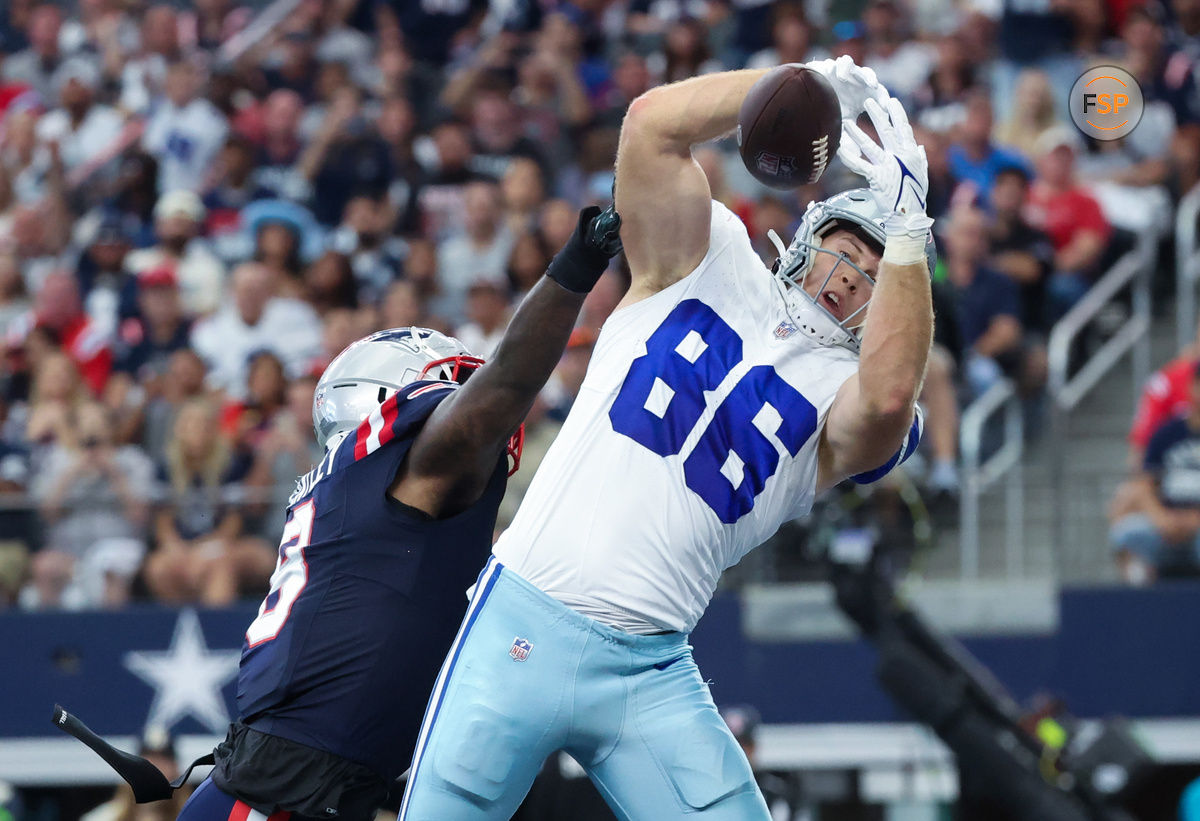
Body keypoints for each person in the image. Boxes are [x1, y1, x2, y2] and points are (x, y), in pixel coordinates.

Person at [400, 56, 934, 820]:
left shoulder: (845, 399)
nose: (852, 276)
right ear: (812, 231)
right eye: (849, 248)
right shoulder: (710, 255)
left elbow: (888, 396)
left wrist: (908, 232)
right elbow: (651, 126)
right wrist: (790, 81)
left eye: (875, 275)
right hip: (522, 612)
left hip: (648, 668)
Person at [160, 206, 622, 821]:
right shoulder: (411, 467)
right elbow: (509, 381)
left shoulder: (345, 489)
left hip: (299, 783)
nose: (470, 410)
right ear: (393, 399)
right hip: (283, 795)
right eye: (453, 388)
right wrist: (581, 261)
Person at [1108, 361, 1200, 584]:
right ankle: (1140, 601)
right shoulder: (1167, 433)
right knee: (1126, 532)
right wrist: (1161, 518)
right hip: (1166, 521)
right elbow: (1143, 484)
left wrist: (1194, 520)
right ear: (1191, 386)